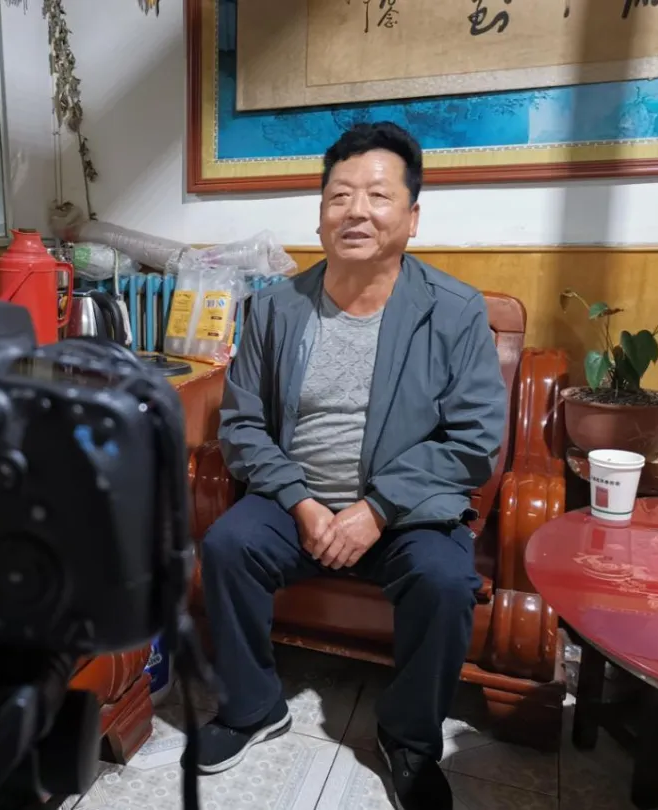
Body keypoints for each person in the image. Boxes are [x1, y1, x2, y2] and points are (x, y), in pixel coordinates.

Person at [194, 122, 506, 810]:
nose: (356, 211)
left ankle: (409, 738)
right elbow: (242, 425)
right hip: (297, 503)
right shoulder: (275, 308)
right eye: (339, 195)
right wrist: (303, 503)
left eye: (377, 195)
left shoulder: (454, 311)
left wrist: (376, 509)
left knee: (445, 578)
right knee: (227, 544)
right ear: (320, 214)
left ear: (412, 217)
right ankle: (251, 706)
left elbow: (475, 438)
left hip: (406, 514)